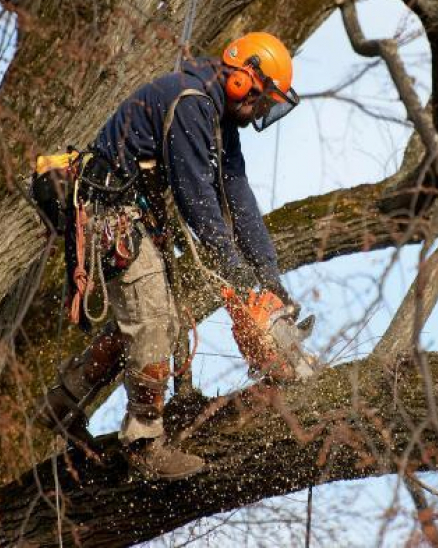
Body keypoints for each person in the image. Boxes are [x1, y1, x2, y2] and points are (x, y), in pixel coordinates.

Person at [38, 32, 311, 480]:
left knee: (159, 322)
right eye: (261, 101)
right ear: (244, 79)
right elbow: (197, 201)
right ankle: (144, 442)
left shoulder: (219, 118)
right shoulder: (192, 102)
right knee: (151, 322)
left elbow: (237, 196)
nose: (260, 112)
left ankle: (64, 400)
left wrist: (270, 277)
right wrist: (238, 278)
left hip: (131, 214)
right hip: (109, 212)